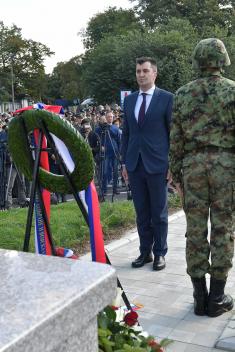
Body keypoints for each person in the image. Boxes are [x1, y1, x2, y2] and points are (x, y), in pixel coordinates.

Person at [170, 38, 235, 317]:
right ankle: (217, 298)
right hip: (226, 165)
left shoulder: (182, 94)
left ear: (197, 61)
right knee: (223, 229)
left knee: (195, 230)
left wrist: (176, 175)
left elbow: (175, 140)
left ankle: (199, 296)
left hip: (193, 166)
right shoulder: (233, 92)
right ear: (222, 60)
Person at [121, 57, 173, 271]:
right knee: (141, 212)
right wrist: (124, 162)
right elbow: (127, 134)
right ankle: (145, 252)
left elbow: (173, 134)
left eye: (145, 71)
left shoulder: (167, 98)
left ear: (154, 73)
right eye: (138, 71)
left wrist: (172, 163)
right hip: (135, 164)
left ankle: (160, 252)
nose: (140, 75)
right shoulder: (130, 100)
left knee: (158, 213)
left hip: (158, 164)